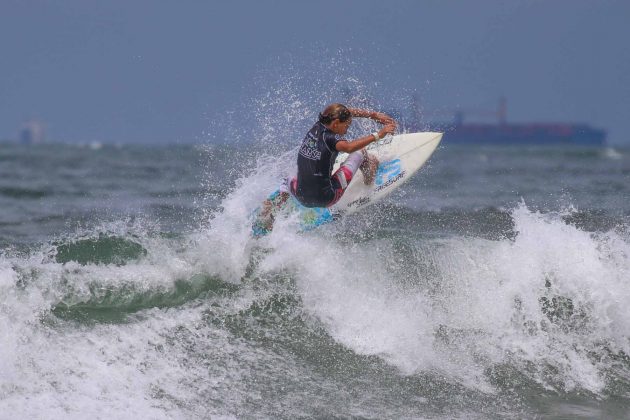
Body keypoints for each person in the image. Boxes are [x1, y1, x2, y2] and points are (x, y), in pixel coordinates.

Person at [256, 103, 397, 232]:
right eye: (346, 126)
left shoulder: (318, 125)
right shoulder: (331, 138)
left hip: (300, 195)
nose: (347, 130)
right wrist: (379, 134)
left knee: (288, 177)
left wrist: (373, 115)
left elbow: (347, 112)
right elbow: (348, 147)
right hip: (327, 197)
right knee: (361, 152)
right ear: (335, 124)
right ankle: (369, 177)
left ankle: (270, 212)